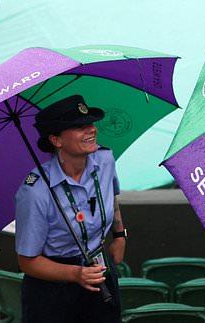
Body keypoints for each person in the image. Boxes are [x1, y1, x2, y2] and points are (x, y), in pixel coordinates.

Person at [14, 96, 127, 323]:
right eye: (79, 127)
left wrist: (119, 235)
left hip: (99, 271)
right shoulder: (35, 191)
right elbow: (27, 262)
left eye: (91, 123)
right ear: (56, 140)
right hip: (54, 288)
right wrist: (75, 274)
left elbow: (112, 197)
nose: (91, 130)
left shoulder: (105, 160)